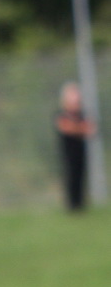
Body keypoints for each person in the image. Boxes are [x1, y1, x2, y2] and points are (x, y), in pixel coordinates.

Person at [55, 81, 96, 212]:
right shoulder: (62, 114)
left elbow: (91, 129)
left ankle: (80, 204)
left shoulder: (82, 114)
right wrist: (80, 128)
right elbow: (67, 128)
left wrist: (79, 128)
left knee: (81, 176)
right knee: (71, 176)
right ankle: (72, 206)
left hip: (81, 151)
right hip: (68, 152)